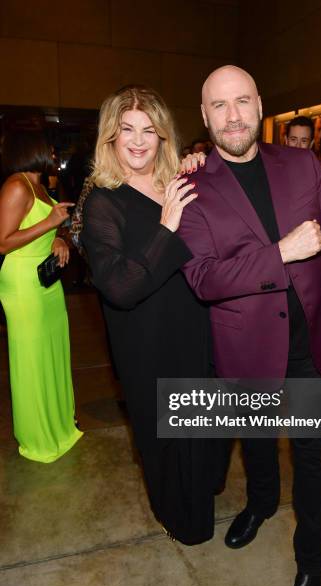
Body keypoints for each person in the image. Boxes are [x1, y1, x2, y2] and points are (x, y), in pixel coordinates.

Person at [178, 65, 321, 586]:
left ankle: (311, 563)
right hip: (245, 347)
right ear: (205, 115)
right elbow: (204, 278)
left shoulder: (303, 163)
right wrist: (279, 252)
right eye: (219, 105)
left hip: (312, 347)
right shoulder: (191, 186)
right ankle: (260, 503)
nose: (232, 115)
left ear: (260, 105)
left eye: (241, 102)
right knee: (257, 442)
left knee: (311, 458)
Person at [80, 85, 219, 545]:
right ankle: (175, 514)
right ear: (110, 138)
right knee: (163, 437)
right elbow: (119, 286)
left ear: (163, 137)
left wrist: (204, 167)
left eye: (149, 130)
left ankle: (200, 500)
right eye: (127, 130)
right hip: (144, 338)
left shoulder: (176, 181)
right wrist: (166, 226)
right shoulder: (104, 201)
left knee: (201, 428)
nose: (138, 141)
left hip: (194, 326)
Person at [0, 130, 83, 463]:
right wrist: (50, 222)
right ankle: (37, 436)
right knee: (32, 362)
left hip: (46, 281)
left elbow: (46, 225)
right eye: (48, 146)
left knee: (54, 354)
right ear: (30, 149)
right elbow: (3, 242)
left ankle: (59, 423)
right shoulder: (16, 185)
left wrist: (58, 237)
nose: (53, 151)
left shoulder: (38, 184)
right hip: (23, 284)